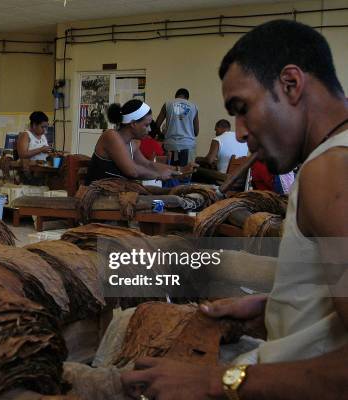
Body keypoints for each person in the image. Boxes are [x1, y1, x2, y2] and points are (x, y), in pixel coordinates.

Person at [121, 20, 348, 400]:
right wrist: (277, 307)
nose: (240, 133)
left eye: (243, 109)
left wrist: (216, 382)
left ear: (291, 84)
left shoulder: (332, 169)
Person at [85, 99, 180, 185]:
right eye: (146, 125)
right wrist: (159, 175)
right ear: (133, 123)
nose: (150, 129)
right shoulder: (111, 136)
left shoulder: (133, 143)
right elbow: (132, 171)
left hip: (116, 195)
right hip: (98, 196)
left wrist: (178, 170)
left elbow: (147, 164)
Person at [156, 88, 199, 167]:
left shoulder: (168, 104)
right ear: (187, 98)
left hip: (170, 146)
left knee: (169, 174)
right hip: (188, 145)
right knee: (186, 174)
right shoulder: (193, 107)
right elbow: (196, 132)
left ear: (176, 96)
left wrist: (161, 136)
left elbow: (157, 125)